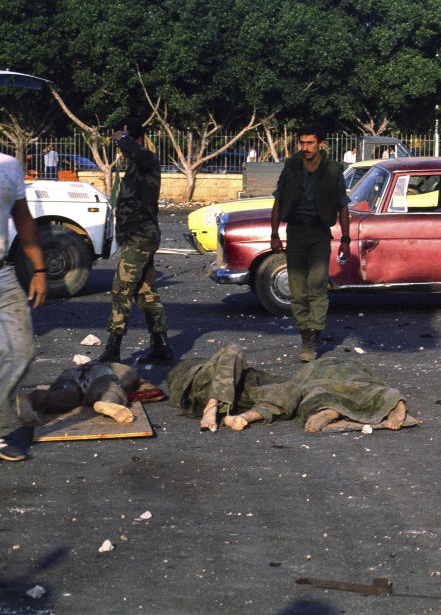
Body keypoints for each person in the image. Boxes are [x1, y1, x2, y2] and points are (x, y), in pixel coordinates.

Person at [166, 343, 410, 433]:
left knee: (295, 391)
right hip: (210, 392)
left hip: (241, 392)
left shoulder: (209, 368)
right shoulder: (193, 372)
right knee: (234, 351)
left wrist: (217, 407)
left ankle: (241, 417)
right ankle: (223, 410)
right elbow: (230, 356)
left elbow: (230, 359)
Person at [96, 118, 174, 365]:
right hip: (137, 236)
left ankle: (113, 349)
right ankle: (161, 347)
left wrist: (126, 139)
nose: (119, 148)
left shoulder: (146, 159)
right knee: (146, 292)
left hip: (141, 236)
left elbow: (138, 154)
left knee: (121, 290)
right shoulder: (133, 164)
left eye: (122, 142)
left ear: (134, 139)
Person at [271, 122, 350, 362]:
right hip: (295, 232)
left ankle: (312, 336)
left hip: (319, 233)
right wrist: (274, 234)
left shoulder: (333, 170)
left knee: (317, 286)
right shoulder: (291, 166)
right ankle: (304, 331)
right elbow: (278, 199)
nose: (305, 147)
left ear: (320, 144)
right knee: (297, 290)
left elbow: (343, 205)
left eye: (310, 143)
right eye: (302, 143)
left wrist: (346, 239)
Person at [0, 152, 47, 461]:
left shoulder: (8, 165)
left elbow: (23, 216)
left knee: (20, 350)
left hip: (2, 273)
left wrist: (40, 270)